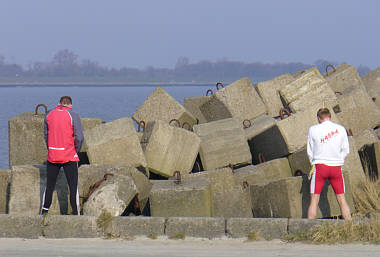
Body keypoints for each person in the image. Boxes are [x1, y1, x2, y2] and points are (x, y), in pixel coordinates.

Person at [41, 96, 84, 215]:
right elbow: (79, 137)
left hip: (53, 155)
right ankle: (76, 214)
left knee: (49, 186)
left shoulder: (48, 114)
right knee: (73, 188)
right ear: (70, 105)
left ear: (59, 103)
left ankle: (44, 212)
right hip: (69, 155)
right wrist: (76, 150)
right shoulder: (73, 115)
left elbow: (46, 135)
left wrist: (50, 149)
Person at [307, 108, 352, 220]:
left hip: (320, 166)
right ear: (330, 117)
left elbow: (310, 151)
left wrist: (313, 164)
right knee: (342, 199)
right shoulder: (340, 129)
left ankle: (308, 229)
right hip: (336, 167)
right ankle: (350, 226)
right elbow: (346, 149)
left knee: (314, 200)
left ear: (318, 118)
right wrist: (338, 160)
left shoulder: (313, 129)